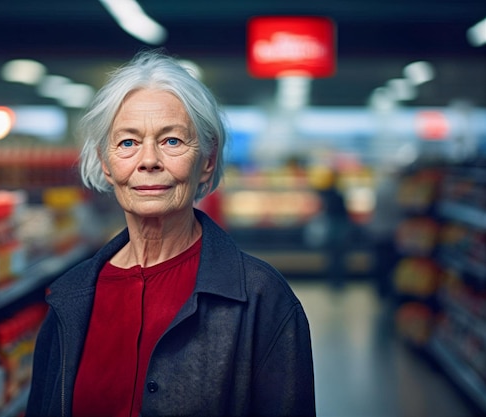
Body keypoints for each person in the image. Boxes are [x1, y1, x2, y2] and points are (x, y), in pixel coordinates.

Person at [26, 49, 315, 417]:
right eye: (128, 142)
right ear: (106, 163)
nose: (148, 161)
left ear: (207, 162)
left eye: (172, 141)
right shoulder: (70, 297)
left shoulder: (261, 297)